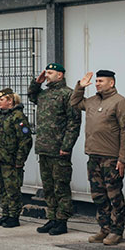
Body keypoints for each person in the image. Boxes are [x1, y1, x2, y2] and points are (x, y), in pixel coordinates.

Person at [70, 69, 125, 245]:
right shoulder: (92, 101)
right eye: (96, 81)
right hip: (94, 155)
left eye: (101, 81)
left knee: (113, 195)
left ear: (111, 83)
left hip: (111, 157)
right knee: (98, 195)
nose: (97, 83)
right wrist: (80, 87)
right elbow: (74, 103)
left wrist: (123, 159)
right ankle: (104, 228)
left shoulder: (120, 102)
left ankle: (116, 230)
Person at [27, 64, 80, 236]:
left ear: (60, 75)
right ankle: (52, 217)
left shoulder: (68, 94)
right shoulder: (44, 94)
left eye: (50, 73)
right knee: (48, 186)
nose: (47, 75)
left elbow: (74, 123)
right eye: (46, 72)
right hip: (44, 148)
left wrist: (67, 146)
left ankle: (62, 220)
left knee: (61, 186)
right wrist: (37, 82)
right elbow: (31, 95)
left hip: (59, 150)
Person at [0, 88, 33, 228]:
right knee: (0, 189)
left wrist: (20, 160)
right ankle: (5, 213)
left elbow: (25, 140)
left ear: (10, 101)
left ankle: (14, 216)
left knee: (12, 189)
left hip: (10, 160)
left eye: (1, 100)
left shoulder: (17, 116)